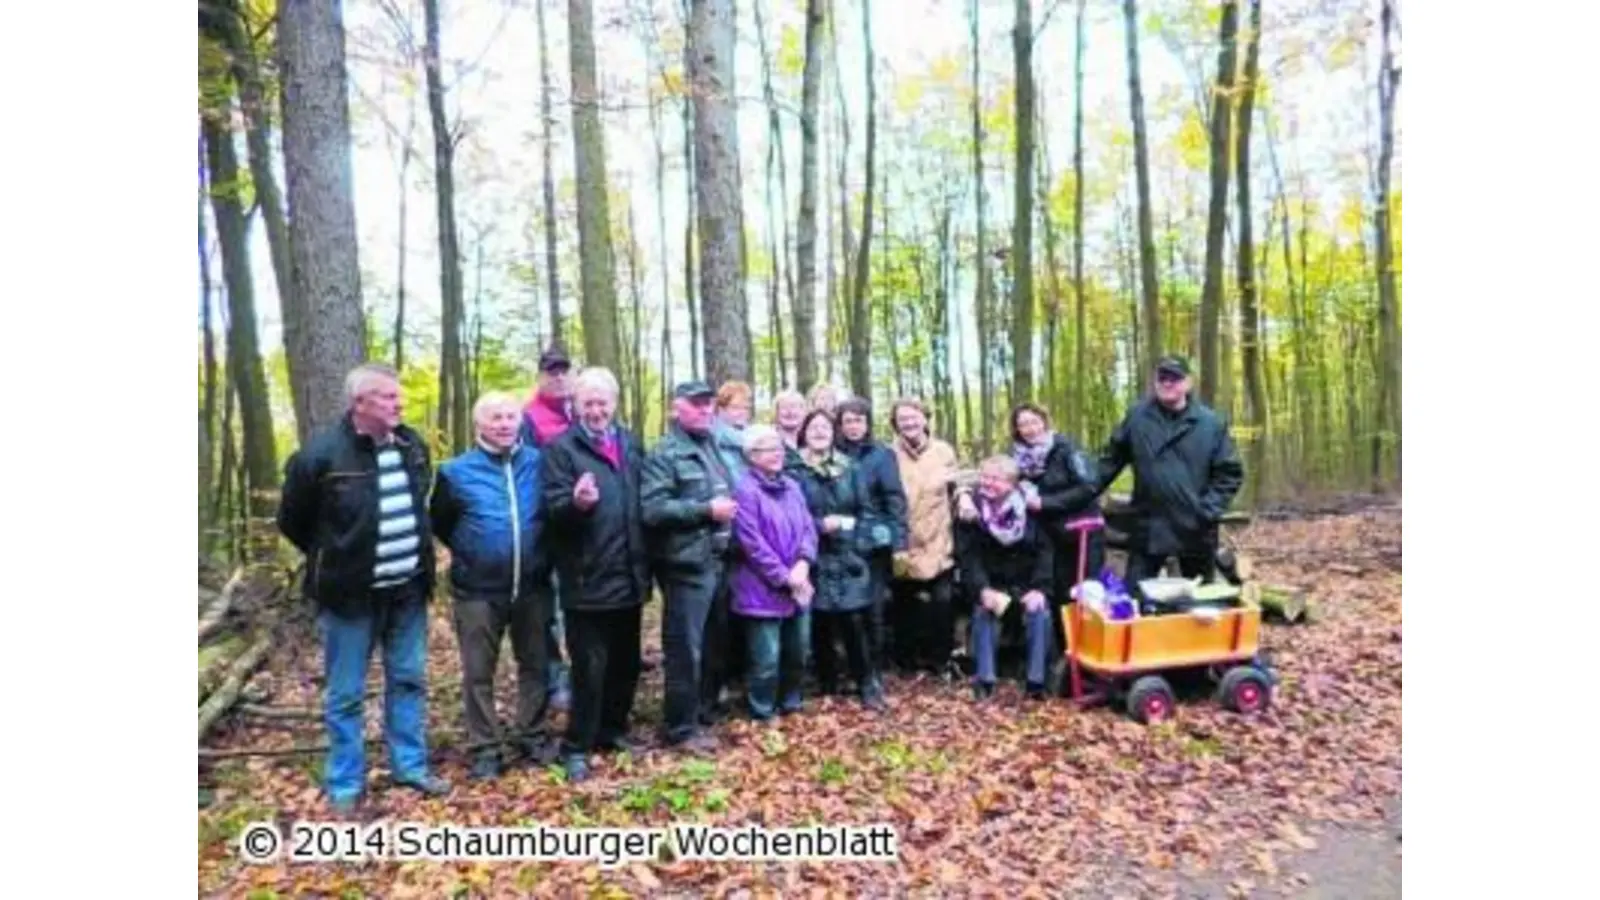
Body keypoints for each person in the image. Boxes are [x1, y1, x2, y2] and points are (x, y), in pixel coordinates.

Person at [275, 363, 450, 811]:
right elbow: (294, 523)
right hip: (349, 598)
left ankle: (410, 767)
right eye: (388, 397)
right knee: (347, 692)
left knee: (409, 679)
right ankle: (346, 784)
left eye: (398, 396)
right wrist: (339, 561)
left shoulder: (412, 446)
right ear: (360, 403)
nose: (400, 403)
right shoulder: (320, 457)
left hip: (407, 591)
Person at [429, 392, 554, 780]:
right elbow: (441, 523)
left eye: (510, 417)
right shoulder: (454, 472)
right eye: (494, 417)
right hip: (477, 590)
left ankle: (530, 734)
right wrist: (473, 553)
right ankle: (485, 747)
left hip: (533, 585)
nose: (503, 424)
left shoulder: (539, 463)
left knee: (535, 664)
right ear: (479, 424)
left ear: (521, 421)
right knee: (479, 671)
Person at [540, 367, 651, 782]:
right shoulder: (561, 450)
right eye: (588, 402)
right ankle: (576, 746)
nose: (596, 410)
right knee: (589, 668)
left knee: (627, 663)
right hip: (586, 579)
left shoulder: (630, 443)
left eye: (603, 402)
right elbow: (552, 510)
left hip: (630, 574)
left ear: (614, 403)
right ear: (576, 406)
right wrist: (577, 503)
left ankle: (612, 731)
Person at [640, 380, 741, 752]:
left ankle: (703, 711)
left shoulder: (713, 445)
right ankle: (680, 727)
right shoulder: (665, 453)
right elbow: (653, 510)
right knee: (685, 649)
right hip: (685, 565)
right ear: (676, 408)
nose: (704, 410)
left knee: (715, 643)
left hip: (718, 560)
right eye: (696, 404)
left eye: (708, 404)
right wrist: (705, 511)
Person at [1096, 355, 1245, 595]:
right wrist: (1078, 491)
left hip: (1195, 528)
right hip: (1148, 525)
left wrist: (1206, 511)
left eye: (1174, 378)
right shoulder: (1137, 418)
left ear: (1188, 383)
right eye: (1162, 378)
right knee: (1135, 599)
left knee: (1199, 600)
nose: (1167, 384)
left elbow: (1229, 473)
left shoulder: (1210, 423)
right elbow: (1108, 462)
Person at [792, 410, 887, 711]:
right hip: (811, 554)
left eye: (825, 427)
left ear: (834, 433)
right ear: (804, 432)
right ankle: (827, 682)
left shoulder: (851, 468)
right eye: (813, 427)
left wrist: (858, 546)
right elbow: (791, 515)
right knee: (819, 622)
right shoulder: (794, 471)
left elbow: (867, 512)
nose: (819, 432)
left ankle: (867, 683)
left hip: (849, 555)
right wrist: (820, 526)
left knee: (855, 621)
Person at [728, 425, 817, 721]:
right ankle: (762, 710)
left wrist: (803, 564)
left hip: (799, 582)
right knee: (766, 658)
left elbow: (807, 527)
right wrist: (784, 576)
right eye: (768, 448)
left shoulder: (792, 485)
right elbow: (751, 542)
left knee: (798, 650)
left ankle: (791, 702)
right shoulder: (744, 489)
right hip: (761, 587)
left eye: (778, 447)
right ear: (752, 455)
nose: (777, 453)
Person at [957, 455, 1055, 700]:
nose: (988, 484)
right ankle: (985, 680)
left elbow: (1045, 551)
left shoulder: (1030, 511)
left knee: (1040, 612)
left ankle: (1036, 683)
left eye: (995, 479)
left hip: (1026, 583)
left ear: (1011, 484)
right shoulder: (971, 512)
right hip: (992, 583)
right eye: (984, 477)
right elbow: (968, 557)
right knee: (983, 610)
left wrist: (1040, 589)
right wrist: (982, 589)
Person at [519, 344, 576, 712]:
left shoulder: (582, 410)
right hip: (547, 527)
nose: (557, 377)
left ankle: (582, 676)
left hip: (583, 528)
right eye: (550, 371)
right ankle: (555, 680)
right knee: (550, 612)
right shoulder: (527, 418)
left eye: (563, 370)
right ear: (540, 375)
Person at [833, 397, 909, 670]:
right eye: (848, 421)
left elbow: (895, 499)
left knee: (874, 607)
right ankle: (849, 667)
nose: (853, 427)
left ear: (868, 423)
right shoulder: (831, 453)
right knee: (845, 609)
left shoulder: (881, 454)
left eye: (859, 420)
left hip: (875, 543)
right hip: (839, 542)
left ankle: (874, 669)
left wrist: (900, 542)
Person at [887, 398, 959, 676]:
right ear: (895, 424)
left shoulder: (943, 451)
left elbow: (957, 486)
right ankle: (905, 662)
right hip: (905, 539)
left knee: (943, 602)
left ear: (925, 418)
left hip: (939, 538)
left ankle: (941, 661)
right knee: (904, 604)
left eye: (914, 416)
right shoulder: (888, 454)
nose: (909, 422)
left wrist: (964, 499)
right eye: (902, 418)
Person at [712, 380, 754, 482]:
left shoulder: (747, 433)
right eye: (735, 407)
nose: (742, 412)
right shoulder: (713, 434)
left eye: (746, 408)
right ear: (721, 408)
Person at [772, 389, 809, 471]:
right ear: (776, 413)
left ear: (804, 412)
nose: (790, 412)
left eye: (794, 407)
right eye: (784, 407)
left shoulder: (809, 443)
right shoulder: (770, 443)